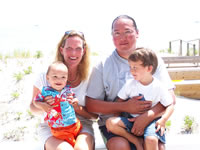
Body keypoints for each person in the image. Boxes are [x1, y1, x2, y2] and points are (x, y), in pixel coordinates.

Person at [86, 15, 176, 150]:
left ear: (137, 33)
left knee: (155, 145)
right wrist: (125, 107)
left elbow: (170, 99)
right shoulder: (102, 65)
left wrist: (146, 117)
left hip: (151, 120)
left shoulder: (152, 59)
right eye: (117, 33)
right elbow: (91, 105)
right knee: (120, 146)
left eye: (127, 32)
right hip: (118, 126)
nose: (122, 37)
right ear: (112, 37)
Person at [30, 30, 97, 150]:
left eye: (78, 48)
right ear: (61, 50)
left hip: (80, 125)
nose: (73, 53)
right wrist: (43, 105)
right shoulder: (45, 76)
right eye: (69, 48)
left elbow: (95, 116)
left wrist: (77, 108)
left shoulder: (91, 76)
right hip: (52, 128)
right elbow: (32, 107)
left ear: (84, 51)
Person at [106, 48, 174, 150]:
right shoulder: (130, 84)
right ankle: (136, 140)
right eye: (130, 67)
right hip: (132, 120)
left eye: (135, 67)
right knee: (110, 123)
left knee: (151, 140)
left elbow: (170, 105)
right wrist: (117, 117)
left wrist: (163, 120)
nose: (131, 71)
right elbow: (119, 100)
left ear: (149, 69)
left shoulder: (158, 86)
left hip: (152, 122)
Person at [33, 61, 82, 147]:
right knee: (71, 145)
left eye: (63, 77)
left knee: (79, 143)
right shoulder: (45, 92)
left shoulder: (68, 89)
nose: (59, 80)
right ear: (47, 78)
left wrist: (75, 101)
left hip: (74, 123)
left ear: (67, 79)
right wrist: (42, 105)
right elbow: (35, 101)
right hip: (59, 128)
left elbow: (73, 98)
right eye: (55, 76)